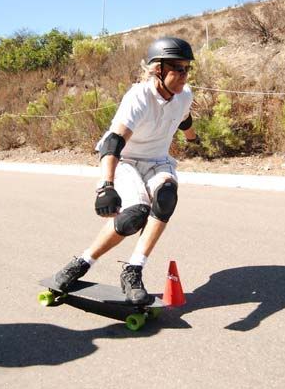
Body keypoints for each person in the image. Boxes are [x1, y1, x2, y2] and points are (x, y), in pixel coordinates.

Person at [52, 36, 200, 305]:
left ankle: (133, 269)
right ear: (159, 69)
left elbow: (184, 116)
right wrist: (105, 185)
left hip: (157, 161)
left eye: (187, 69)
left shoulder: (184, 95)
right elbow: (114, 142)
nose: (184, 75)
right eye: (179, 69)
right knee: (135, 215)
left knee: (166, 197)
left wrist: (192, 137)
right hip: (126, 161)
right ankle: (82, 262)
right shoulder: (139, 97)